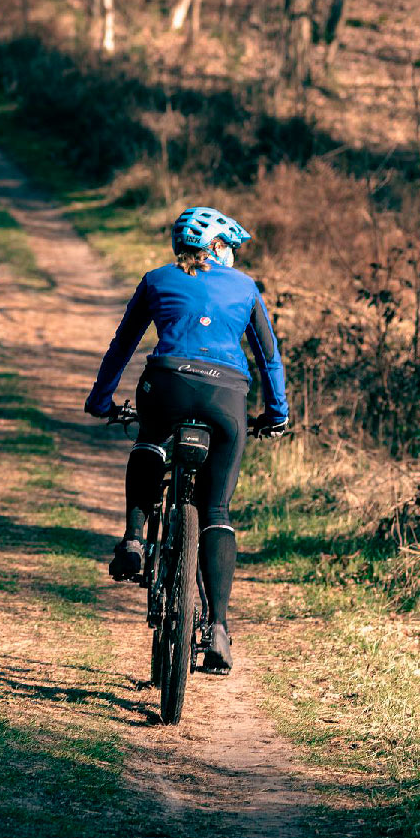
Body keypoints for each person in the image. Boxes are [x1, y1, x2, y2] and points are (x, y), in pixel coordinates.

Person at [85, 206, 289, 674]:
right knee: (216, 508)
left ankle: (135, 539)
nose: (233, 256)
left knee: (150, 443)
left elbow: (123, 345)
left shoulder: (156, 279)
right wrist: (276, 416)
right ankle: (217, 626)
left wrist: (101, 400)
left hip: (167, 384)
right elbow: (269, 358)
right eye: (230, 247)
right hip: (227, 397)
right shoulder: (245, 287)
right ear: (218, 247)